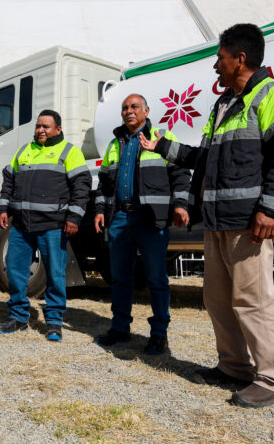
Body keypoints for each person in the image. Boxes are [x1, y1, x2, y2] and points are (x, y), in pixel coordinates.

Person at [139, 24, 274, 408]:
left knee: (253, 301)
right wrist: (162, 146)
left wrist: (270, 209)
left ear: (239, 58)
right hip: (217, 221)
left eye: (220, 57)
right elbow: (206, 159)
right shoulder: (225, 104)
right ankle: (234, 367)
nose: (216, 65)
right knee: (217, 299)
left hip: (249, 221)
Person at [93, 94, 191, 355]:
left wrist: (180, 205)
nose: (129, 111)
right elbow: (104, 183)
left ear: (147, 110)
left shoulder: (161, 137)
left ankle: (159, 335)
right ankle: (120, 328)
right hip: (120, 219)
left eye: (134, 107)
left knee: (156, 278)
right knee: (120, 278)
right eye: (125, 107)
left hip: (151, 218)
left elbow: (181, 175)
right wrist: (101, 210)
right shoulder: (115, 144)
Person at [0, 110, 91, 341]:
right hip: (21, 227)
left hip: (53, 226)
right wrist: (3, 209)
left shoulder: (69, 152)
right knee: (15, 273)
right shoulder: (24, 151)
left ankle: (54, 322)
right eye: (38, 126)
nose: (41, 130)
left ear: (58, 129)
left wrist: (74, 218)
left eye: (46, 126)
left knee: (56, 275)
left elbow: (82, 187)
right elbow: (8, 181)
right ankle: (18, 317)